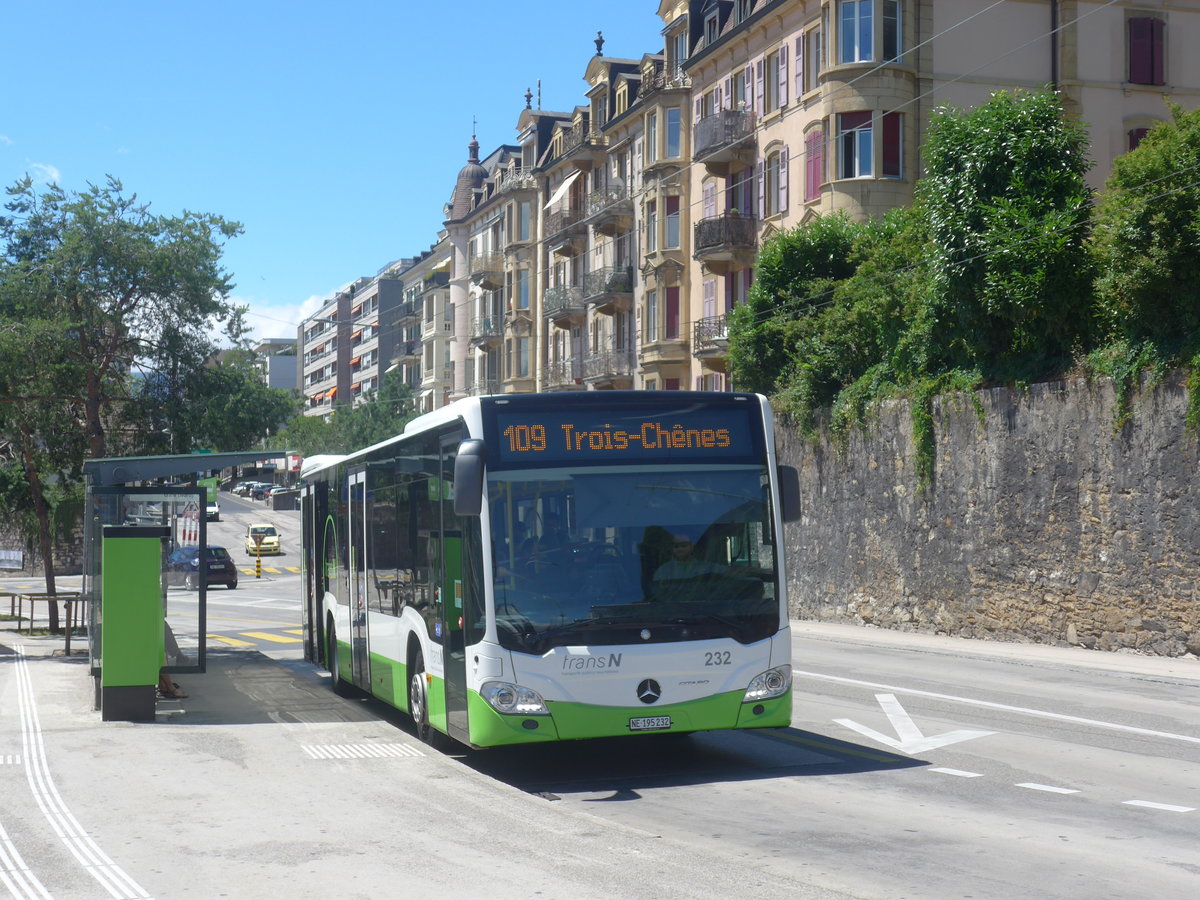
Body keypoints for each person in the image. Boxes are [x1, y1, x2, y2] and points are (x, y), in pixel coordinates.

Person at [652, 533, 725, 601]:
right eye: (676, 546)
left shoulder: (706, 567)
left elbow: (728, 572)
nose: (680, 549)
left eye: (684, 545)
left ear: (692, 546)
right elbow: (659, 596)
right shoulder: (663, 571)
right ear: (672, 548)